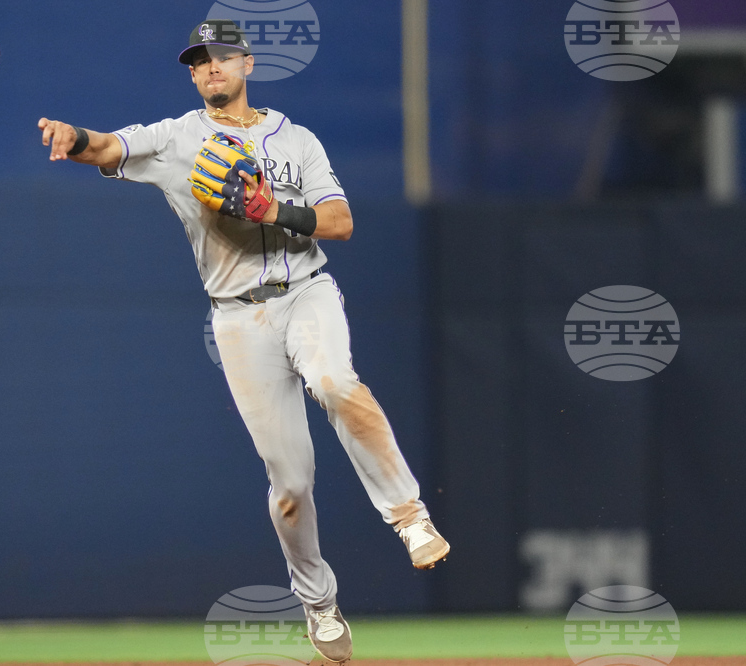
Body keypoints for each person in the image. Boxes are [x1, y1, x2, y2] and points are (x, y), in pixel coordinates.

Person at [37, 18, 449, 664]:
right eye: (198, 61)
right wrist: (74, 136)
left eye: (220, 57)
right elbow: (109, 148)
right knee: (290, 483)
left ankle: (409, 516)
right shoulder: (176, 139)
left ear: (247, 64)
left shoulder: (297, 139)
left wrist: (273, 212)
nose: (209, 68)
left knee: (336, 382)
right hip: (237, 318)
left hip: (306, 290)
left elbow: (338, 222)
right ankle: (317, 600)